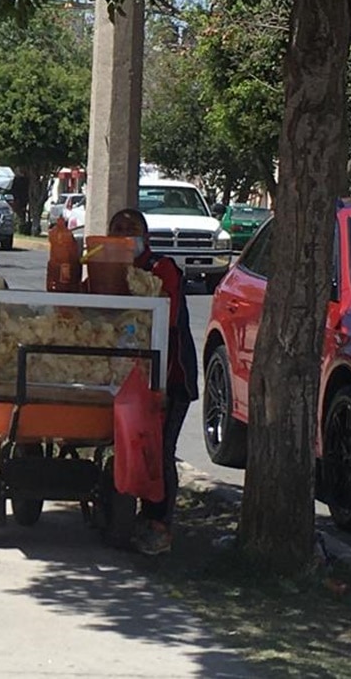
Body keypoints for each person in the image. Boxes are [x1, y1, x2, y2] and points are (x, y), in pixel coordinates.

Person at [108, 207, 199, 555]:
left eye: (132, 229)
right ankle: (124, 513)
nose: (124, 235)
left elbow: (166, 317)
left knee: (160, 452)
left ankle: (159, 524)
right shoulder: (104, 267)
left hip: (170, 378)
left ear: (145, 237)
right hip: (123, 378)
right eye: (117, 229)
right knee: (131, 447)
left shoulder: (162, 269)